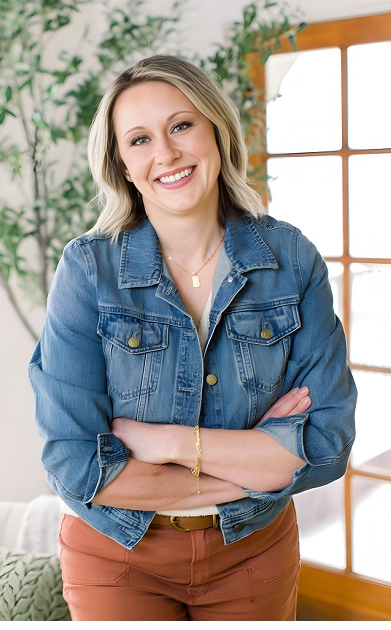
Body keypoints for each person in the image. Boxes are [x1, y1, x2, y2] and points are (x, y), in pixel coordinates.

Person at [29, 55, 356, 621]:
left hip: (253, 552)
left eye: (181, 125)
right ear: (123, 167)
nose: (166, 154)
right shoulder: (87, 270)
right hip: (118, 555)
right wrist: (260, 460)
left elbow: (325, 446)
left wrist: (169, 445)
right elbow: (77, 464)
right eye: (139, 139)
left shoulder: (292, 260)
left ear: (216, 132)